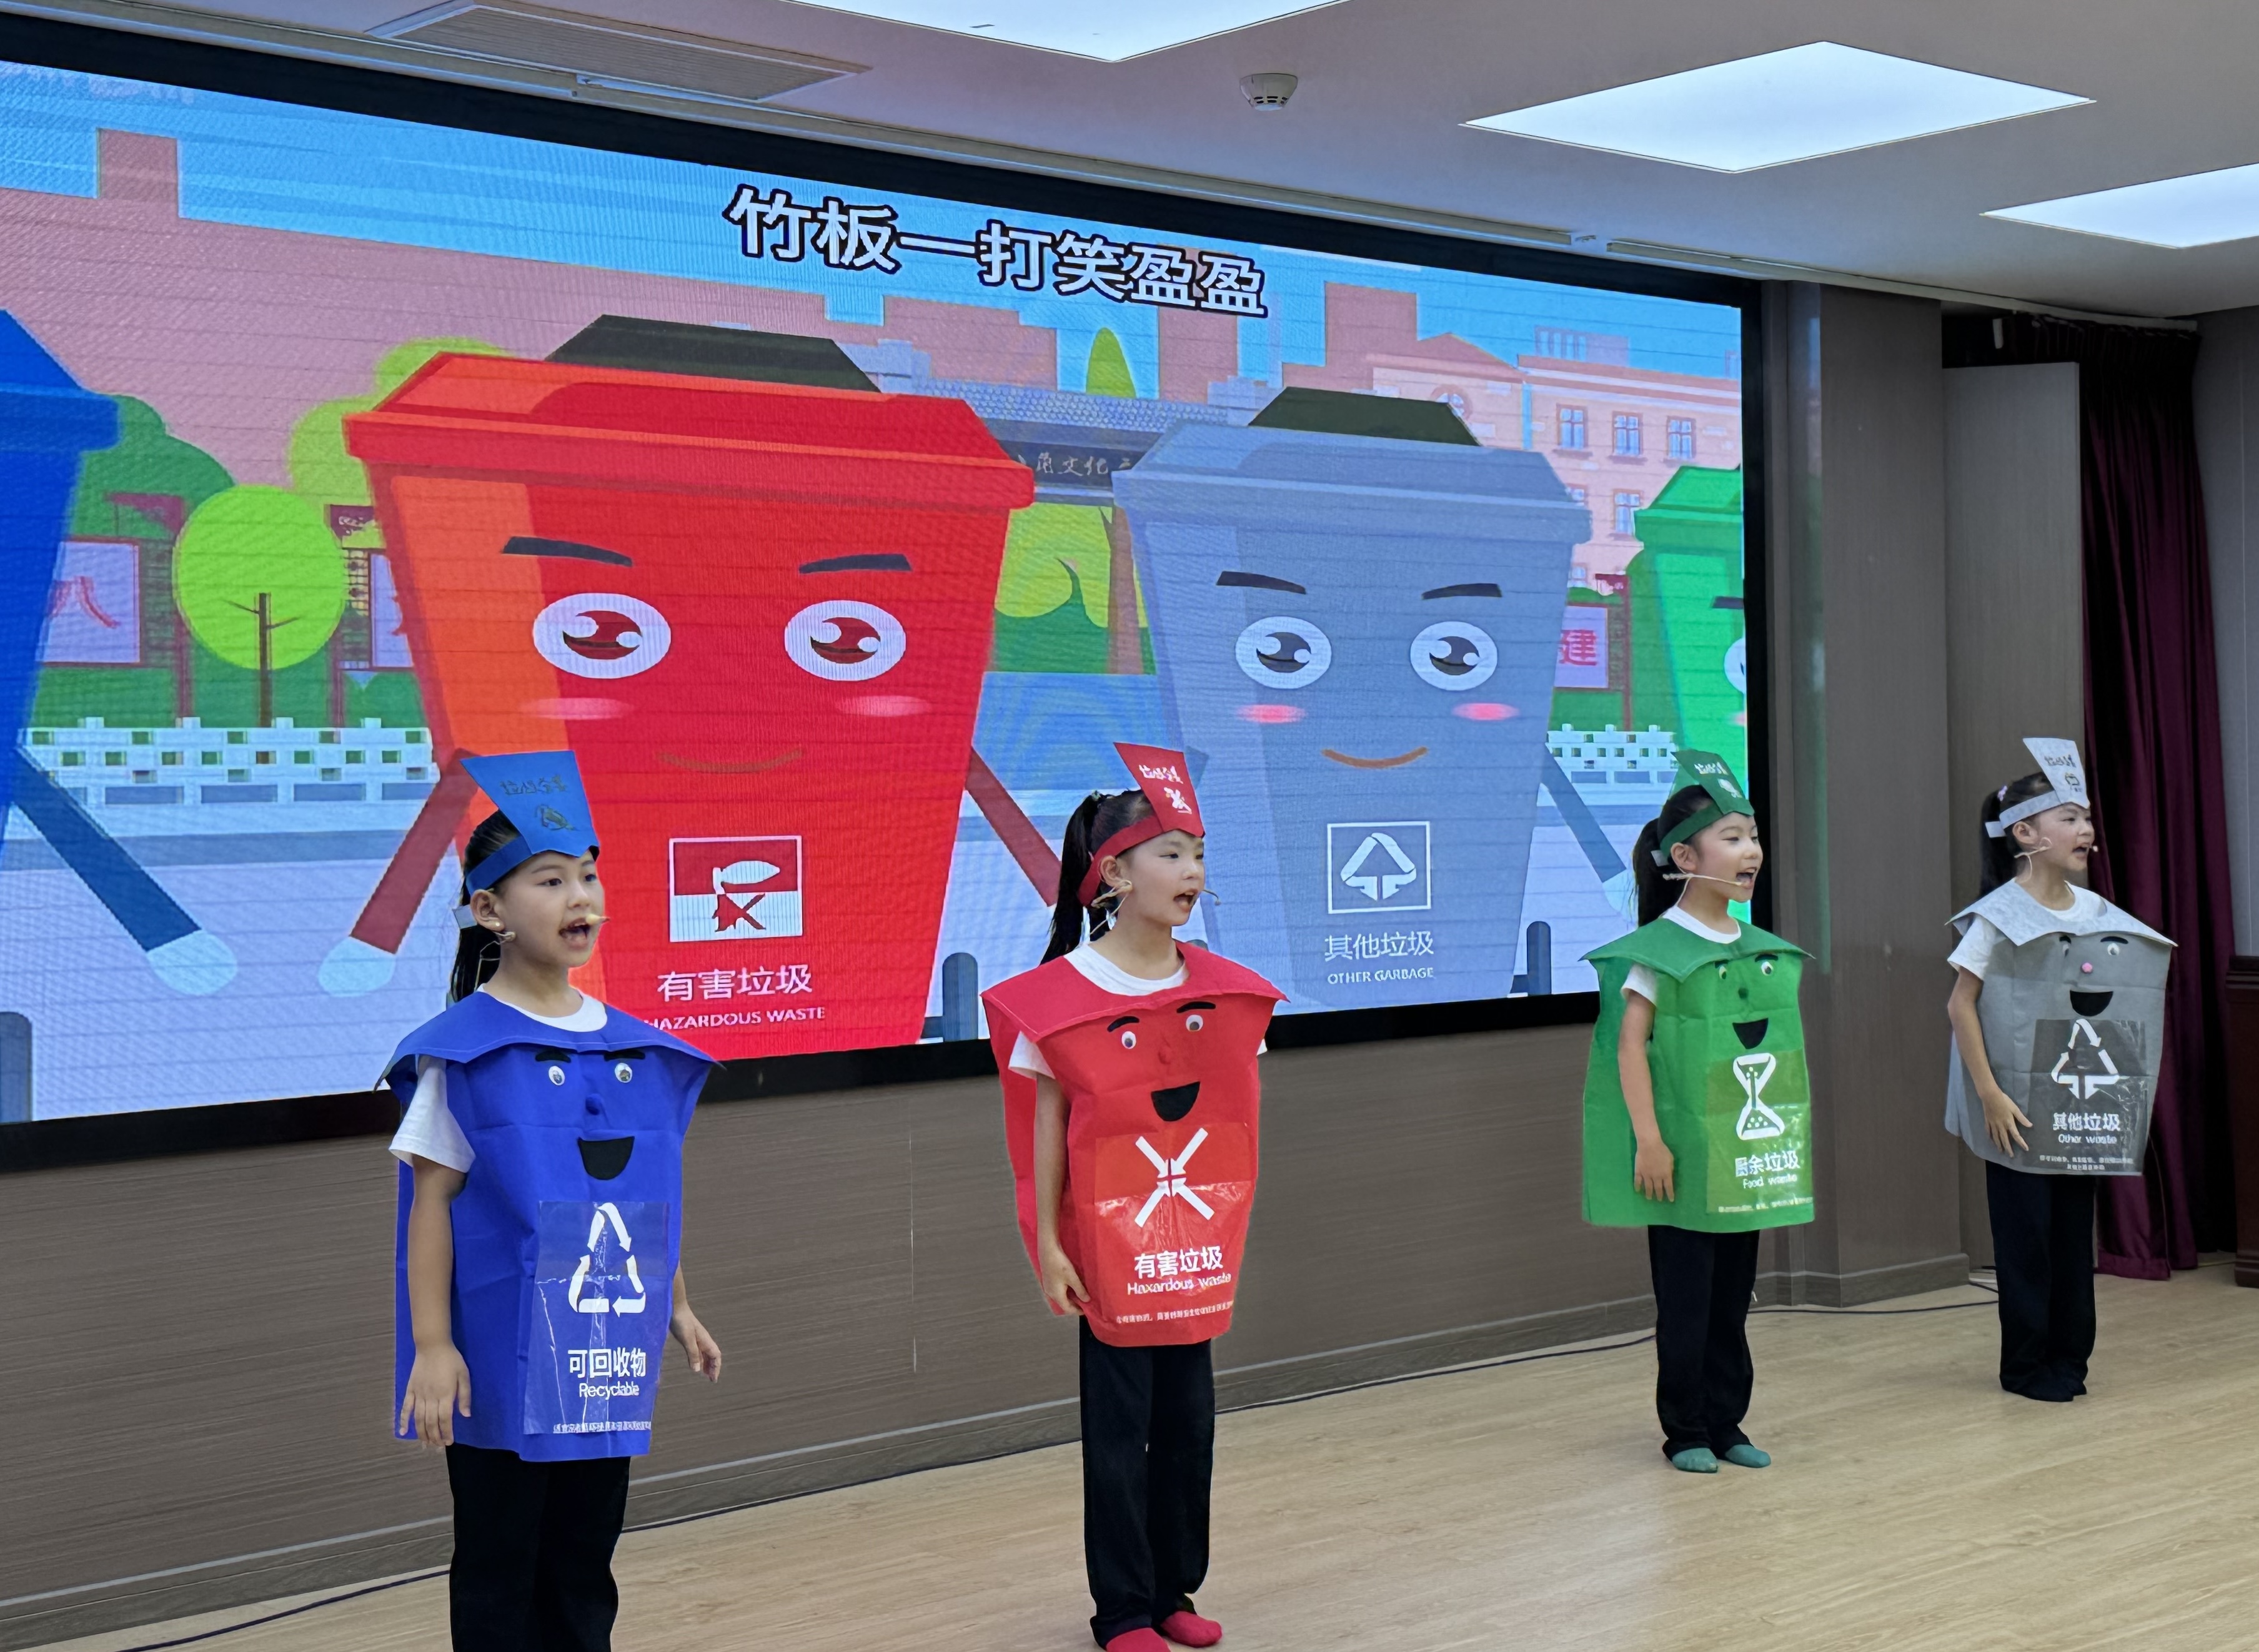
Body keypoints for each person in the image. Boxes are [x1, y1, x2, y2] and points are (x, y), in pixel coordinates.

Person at [387, 750, 723, 1651]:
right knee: (500, 1567)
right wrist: (432, 1346)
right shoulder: (463, 1052)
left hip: (601, 1351)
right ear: (489, 909)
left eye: (588, 875)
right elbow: (430, 1206)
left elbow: (645, 1197)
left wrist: (677, 1304)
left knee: (583, 1561)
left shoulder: (638, 1049)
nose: (581, 897)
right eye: (550, 880)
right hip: (499, 1357)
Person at [983, 744, 1281, 1652]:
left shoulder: (1226, 995)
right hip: (1110, 1255)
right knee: (1119, 1435)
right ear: (1114, 874)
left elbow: (1230, 1124)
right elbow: (1045, 1133)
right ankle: (1120, 1610)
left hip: (1190, 1249)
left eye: (1199, 854)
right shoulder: (1060, 998)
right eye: (1171, 853)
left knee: (1189, 1427)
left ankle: (1171, 1589)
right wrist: (1050, 1244)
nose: (1192, 871)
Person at [1581, 751, 1813, 1474]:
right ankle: (1683, 1428)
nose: (1752, 852)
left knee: (1732, 1300)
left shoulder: (1758, 951)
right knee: (1686, 1299)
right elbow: (1629, 1048)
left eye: (1753, 836)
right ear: (1685, 857)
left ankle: (1726, 1419)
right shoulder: (1657, 950)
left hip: (1738, 1156)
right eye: (1733, 837)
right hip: (1679, 1159)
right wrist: (1649, 1140)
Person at [1944, 738, 2172, 1403]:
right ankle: (2025, 1365)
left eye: (2088, 817)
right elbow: (1960, 1004)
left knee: (2074, 1240)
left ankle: (2070, 1359)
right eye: (2070, 817)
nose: (2087, 830)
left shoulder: (2099, 914)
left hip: (2078, 1106)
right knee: (2027, 1242)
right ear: (2026, 833)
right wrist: (1989, 1093)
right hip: (2015, 1108)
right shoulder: (1998, 916)